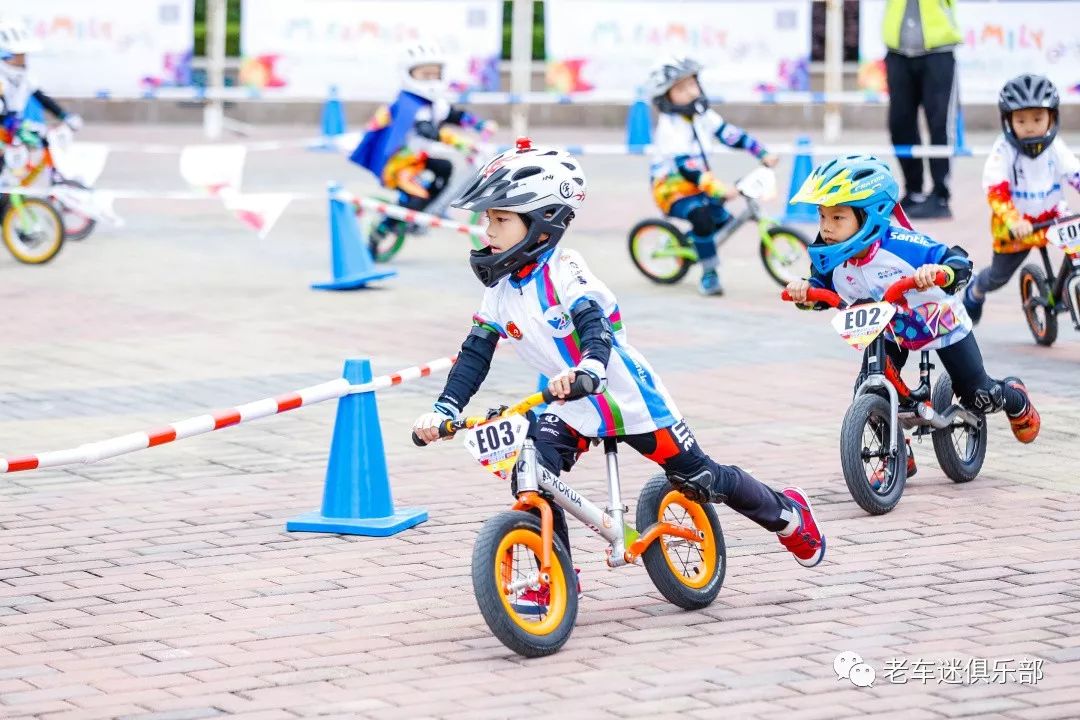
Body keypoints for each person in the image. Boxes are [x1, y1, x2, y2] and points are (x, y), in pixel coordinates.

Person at [413, 138, 826, 612]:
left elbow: (593, 321)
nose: (487, 229)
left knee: (700, 477)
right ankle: (554, 576)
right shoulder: (501, 289)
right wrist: (444, 407)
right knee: (531, 473)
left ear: (542, 222)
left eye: (499, 218)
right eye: (488, 218)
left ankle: (788, 515)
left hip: (623, 393)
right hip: (565, 401)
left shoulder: (565, 268)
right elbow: (475, 353)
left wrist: (590, 363)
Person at [784, 155, 1042, 481]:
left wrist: (941, 271)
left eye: (838, 217)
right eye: (822, 216)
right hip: (889, 327)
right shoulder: (831, 259)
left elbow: (956, 260)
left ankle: (1015, 398)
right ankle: (897, 456)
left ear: (870, 216)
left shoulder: (903, 246)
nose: (826, 228)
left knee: (979, 394)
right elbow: (820, 291)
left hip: (939, 323)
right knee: (868, 388)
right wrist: (804, 292)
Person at [644, 57, 778, 296]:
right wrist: (719, 188)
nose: (691, 91)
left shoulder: (702, 114)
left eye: (692, 84)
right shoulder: (669, 127)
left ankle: (694, 241)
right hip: (672, 189)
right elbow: (687, 169)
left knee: (723, 220)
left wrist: (761, 151)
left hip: (700, 183)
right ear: (666, 98)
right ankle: (709, 273)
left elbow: (730, 135)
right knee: (702, 216)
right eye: (681, 89)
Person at [349, 42, 496, 242]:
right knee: (416, 195)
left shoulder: (434, 102)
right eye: (424, 75)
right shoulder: (409, 105)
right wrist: (460, 142)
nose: (431, 80)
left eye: (434, 74)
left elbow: (456, 115)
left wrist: (480, 125)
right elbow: (427, 129)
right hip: (398, 165)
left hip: (417, 158)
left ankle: (428, 213)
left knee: (445, 168)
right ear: (408, 74)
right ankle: (382, 230)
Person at [963, 74, 1080, 323]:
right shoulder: (1003, 150)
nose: (1030, 126)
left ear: (1052, 117)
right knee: (998, 277)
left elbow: (1075, 173)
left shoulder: (1055, 146)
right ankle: (976, 290)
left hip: (1053, 214)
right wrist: (1014, 220)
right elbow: (996, 191)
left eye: (1038, 119)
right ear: (1008, 121)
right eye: (1021, 120)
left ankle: (1070, 290)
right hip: (1017, 223)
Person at [882, 0, 962, 219]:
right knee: (900, 123)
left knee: (939, 124)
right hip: (897, 51)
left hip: (938, 51)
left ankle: (940, 195)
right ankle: (914, 191)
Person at [0, 19, 82, 134]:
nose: (21, 60)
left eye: (23, 55)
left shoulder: (24, 78)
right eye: (17, 56)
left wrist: (65, 116)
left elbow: (42, 98)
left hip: (13, 128)